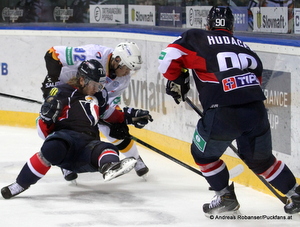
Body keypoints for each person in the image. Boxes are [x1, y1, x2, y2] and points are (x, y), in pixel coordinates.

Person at [158, 6, 300, 215]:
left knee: (203, 155)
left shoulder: (197, 37)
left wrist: (179, 79)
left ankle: (224, 196)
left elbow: (167, 60)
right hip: (256, 110)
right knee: (262, 160)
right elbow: (255, 82)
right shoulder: (246, 48)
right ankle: (295, 192)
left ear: (208, 24)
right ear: (232, 27)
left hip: (222, 113)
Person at [1, 59, 152, 199]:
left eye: (100, 85)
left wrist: (131, 116)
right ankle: (19, 185)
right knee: (52, 147)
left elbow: (110, 114)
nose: (97, 89)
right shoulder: (61, 93)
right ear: (82, 80)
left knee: (108, 148)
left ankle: (108, 167)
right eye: (94, 85)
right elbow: (44, 133)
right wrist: (46, 119)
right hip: (66, 139)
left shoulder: (98, 97)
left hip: (88, 145)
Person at [41, 42, 149, 181]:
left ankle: (135, 158)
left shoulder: (123, 79)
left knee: (111, 128)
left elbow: (109, 103)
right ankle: (65, 163)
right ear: (117, 60)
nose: (128, 73)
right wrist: (52, 79)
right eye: (127, 68)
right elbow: (53, 53)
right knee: (59, 123)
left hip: (92, 92)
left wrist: (117, 122)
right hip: (66, 89)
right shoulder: (93, 54)